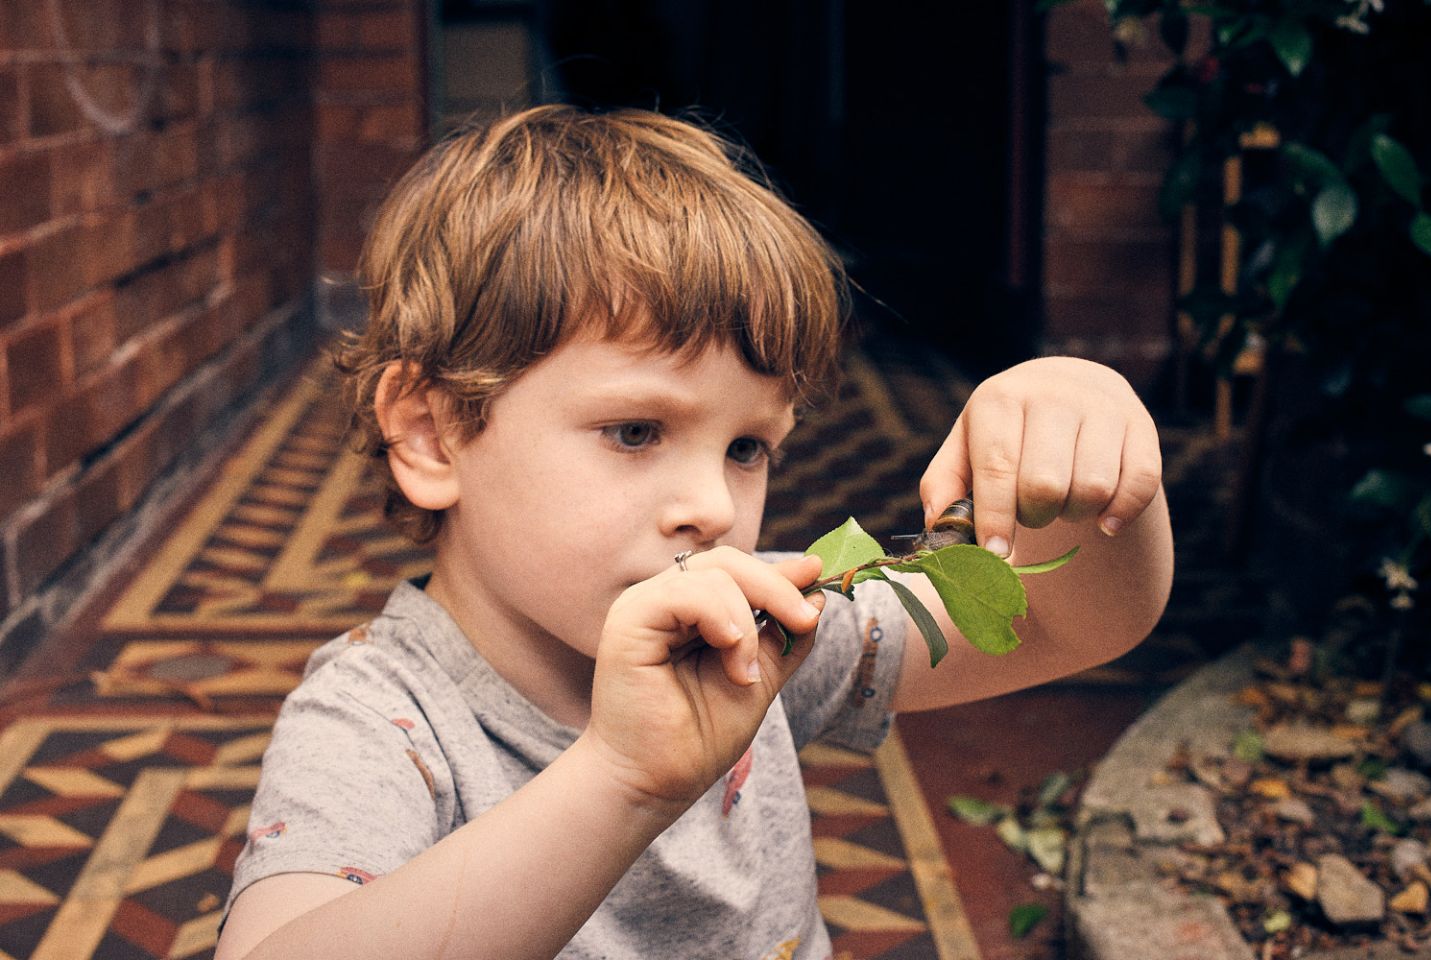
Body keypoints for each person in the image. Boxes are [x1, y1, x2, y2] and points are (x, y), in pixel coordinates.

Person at [215, 105, 1173, 960]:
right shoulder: (380, 723)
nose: (714, 507)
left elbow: (1077, 622)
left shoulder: (759, 633)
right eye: (636, 431)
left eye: (748, 447)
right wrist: (621, 779)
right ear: (430, 432)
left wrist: (1092, 446)